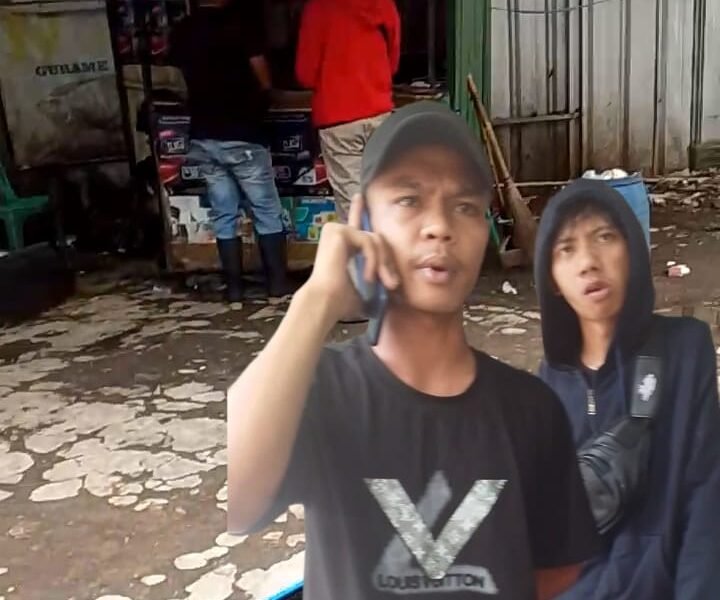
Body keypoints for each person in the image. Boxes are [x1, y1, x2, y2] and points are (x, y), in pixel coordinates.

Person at [227, 102, 600, 599]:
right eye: (409, 199)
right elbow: (243, 504)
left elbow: (557, 569)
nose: (439, 226)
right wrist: (316, 300)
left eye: (464, 206)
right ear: (361, 220)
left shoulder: (531, 410)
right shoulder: (317, 389)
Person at [534, 179, 720, 600]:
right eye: (567, 249)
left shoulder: (684, 351)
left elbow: (705, 502)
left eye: (605, 237)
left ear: (633, 250)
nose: (588, 262)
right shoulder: (545, 390)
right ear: (553, 280)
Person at [170, 0, 290, 301]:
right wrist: (265, 97)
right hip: (243, 132)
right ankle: (276, 286)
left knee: (224, 213)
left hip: (204, 134)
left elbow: (178, 79)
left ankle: (234, 290)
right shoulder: (242, 24)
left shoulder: (185, 29)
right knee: (265, 209)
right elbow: (262, 75)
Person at [295, 0, 401, 222]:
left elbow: (306, 73)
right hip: (379, 111)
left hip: (339, 117)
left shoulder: (319, 7)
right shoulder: (383, 3)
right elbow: (393, 59)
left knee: (353, 205)